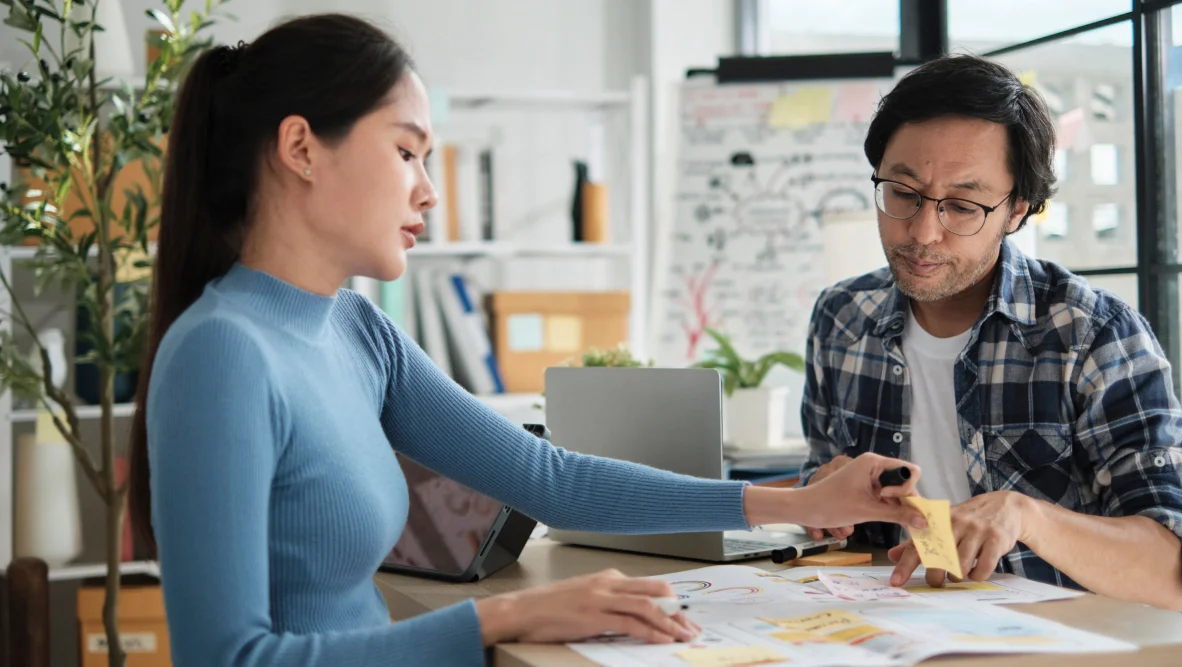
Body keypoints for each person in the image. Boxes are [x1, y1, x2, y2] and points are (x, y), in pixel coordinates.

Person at [125, 14, 928, 667]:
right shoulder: (222, 353)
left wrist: (793, 502)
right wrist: (500, 617)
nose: (429, 191)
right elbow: (228, 656)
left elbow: (548, 478)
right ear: (300, 147)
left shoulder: (357, 329)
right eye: (405, 151)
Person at [797, 53, 1182, 612]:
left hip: (1061, 644)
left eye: (962, 206)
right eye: (902, 192)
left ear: (1019, 210)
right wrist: (822, 503)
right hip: (886, 628)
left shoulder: (1092, 335)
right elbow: (820, 498)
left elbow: (1176, 574)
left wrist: (1026, 516)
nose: (922, 232)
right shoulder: (842, 319)